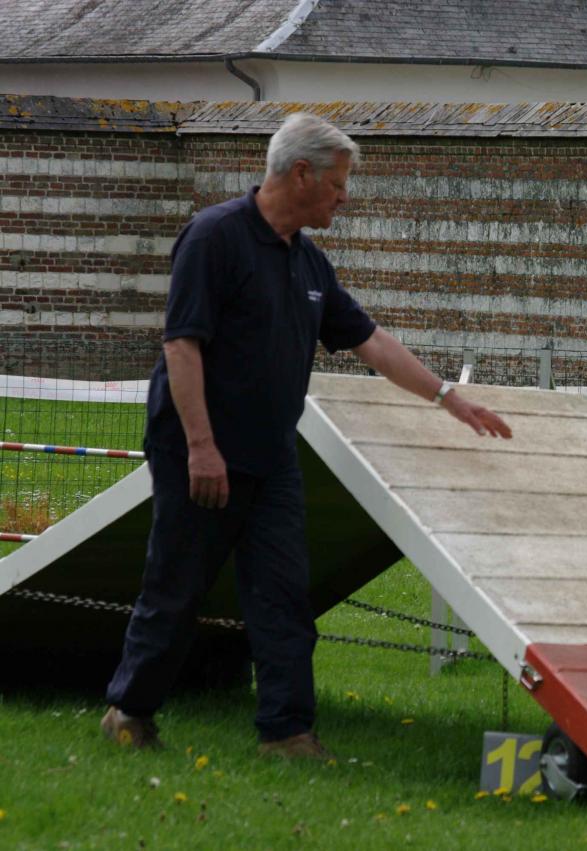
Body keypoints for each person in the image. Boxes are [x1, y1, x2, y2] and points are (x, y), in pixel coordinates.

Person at [100, 113, 512, 759]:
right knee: (177, 590)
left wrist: (447, 396)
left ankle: (287, 733)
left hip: (272, 457)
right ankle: (129, 712)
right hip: (198, 452)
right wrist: (202, 447)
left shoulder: (310, 261)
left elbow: (370, 340)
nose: (345, 197)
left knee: (285, 598)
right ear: (301, 174)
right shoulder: (214, 238)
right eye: (339, 184)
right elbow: (181, 345)